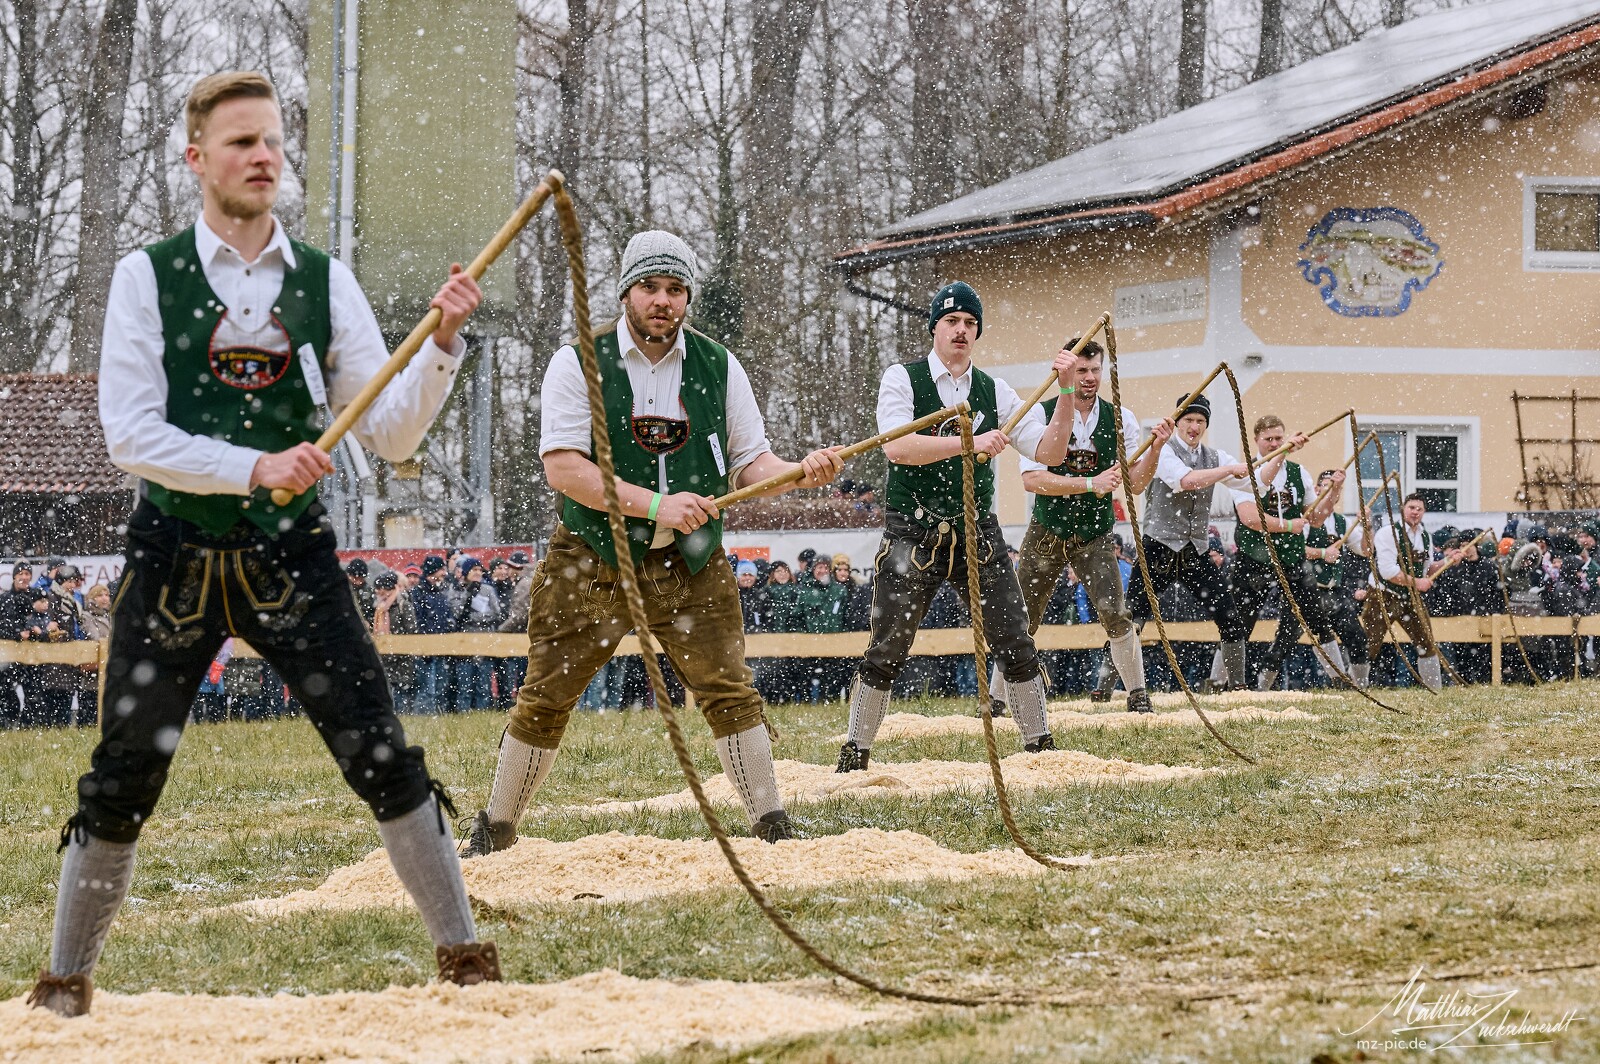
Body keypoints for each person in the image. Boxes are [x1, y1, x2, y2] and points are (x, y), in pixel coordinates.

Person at [24, 72, 500, 1018]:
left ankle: (465, 958)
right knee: (122, 774)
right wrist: (255, 467)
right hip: (174, 559)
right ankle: (64, 986)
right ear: (196, 158)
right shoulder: (145, 275)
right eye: (240, 141)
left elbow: (394, 434)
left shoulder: (323, 280)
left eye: (273, 140)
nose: (263, 156)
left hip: (295, 560)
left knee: (380, 753)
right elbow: (130, 435)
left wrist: (444, 341)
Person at [460, 229, 843, 856]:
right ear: (626, 293)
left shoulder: (720, 365)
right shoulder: (577, 361)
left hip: (689, 561)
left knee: (728, 688)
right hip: (592, 556)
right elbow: (564, 469)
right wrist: (658, 504)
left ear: (687, 297)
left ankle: (772, 826)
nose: (661, 301)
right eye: (649, 288)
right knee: (548, 693)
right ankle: (496, 829)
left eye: (674, 289)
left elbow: (751, 464)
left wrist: (799, 470)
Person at [838, 281, 1077, 771]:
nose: (961, 330)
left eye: (970, 323)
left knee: (1014, 637)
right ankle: (855, 751)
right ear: (934, 329)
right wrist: (969, 443)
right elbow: (897, 447)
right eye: (951, 322)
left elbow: (1051, 454)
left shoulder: (996, 390)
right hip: (912, 529)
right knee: (888, 645)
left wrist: (1067, 391)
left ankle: (1039, 745)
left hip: (977, 531)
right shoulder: (901, 379)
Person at [1004, 337, 1171, 717]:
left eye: (1095, 369)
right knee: (1022, 617)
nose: (1090, 377)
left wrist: (1157, 449)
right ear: (1066, 372)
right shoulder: (1040, 413)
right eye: (1082, 370)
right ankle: (998, 699)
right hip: (1047, 530)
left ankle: (1138, 695)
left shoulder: (1121, 418)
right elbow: (1033, 481)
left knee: (1115, 612)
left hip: (1094, 533)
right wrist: (1089, 484)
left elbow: (1135, 484)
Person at [1122, 393, 1251, 691]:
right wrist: (1229, 471)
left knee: (1229, 616)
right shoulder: (1162, 451)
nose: (1194, 426)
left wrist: (1278, 456)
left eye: (1200, 421)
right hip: (1158, 546)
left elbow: (1253, 481)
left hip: (1196, 549)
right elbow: (1186, 480)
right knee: (1131, 621)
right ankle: (1108, 686)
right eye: (1189, 420)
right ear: (1178, 423)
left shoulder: (1215, 457)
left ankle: (1239, 687)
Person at [1227, 415, 1347, 691]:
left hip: (1292, 557)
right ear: (1256, 440)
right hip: (1254, 555)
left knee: (1315, 617)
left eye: (1278, 438)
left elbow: (1315, 518)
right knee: (1240, 622)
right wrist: (1289, 525)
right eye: (1268, 439)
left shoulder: (1299, 472)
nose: (1274, 443)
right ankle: (1223, 681)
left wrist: (1334, 491)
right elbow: (1251, 519)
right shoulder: (1247, 470)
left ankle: (1339, 677)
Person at [1359, 492, 1445, 691]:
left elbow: (1427, 569)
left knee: (1427, 643)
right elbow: (1388, 572)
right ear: (1402, 510)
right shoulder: (1388, 533)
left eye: (1419, 509)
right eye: (1411, 508)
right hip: (1382, 595)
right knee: (1369, 645)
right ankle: (1356, 688)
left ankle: (1435, 691)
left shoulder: (1425, 536)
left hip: (1410, 596)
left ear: (1424, 512)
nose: (1415, 512)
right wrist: (1417, 583)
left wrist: (1448, 561)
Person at [1304, 469, 1368, 685]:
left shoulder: (1342, 522)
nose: (1330, 492)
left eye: (1334, 488)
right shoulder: (1306, 518)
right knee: (1302, 639)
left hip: (1334, 590)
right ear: (1316, 489)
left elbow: (1365, 551)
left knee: (1357, 636)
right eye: (1326, 486)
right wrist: (1322, 553)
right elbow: (1293, 550)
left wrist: (1367, 527)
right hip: (1307, 588)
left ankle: (1360, 685)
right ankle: (1338, 681)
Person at [452, 558, 501, 712]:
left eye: (480, 570)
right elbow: (457, 613)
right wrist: (468, 594)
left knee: (483, 685)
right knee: (464, 685)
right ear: (466, 573)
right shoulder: (458, 590)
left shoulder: (488, 590)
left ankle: (483, 715)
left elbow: (496, 612)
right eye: (474, 570)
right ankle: (463, 714)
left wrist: (475, 618)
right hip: (464, 642)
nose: (478, 573)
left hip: (484, 640)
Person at [409, 555, 457, 715]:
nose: (444, 573)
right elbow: (418, 621)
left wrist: (450, 625)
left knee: (439, 689)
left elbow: (446, 617)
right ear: (433, 571)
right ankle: (424, 720)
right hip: (426, 651)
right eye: (441, 569)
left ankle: (437, 719)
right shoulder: (418, 593)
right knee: (426, 690)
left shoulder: (439, 591)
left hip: (441, 648)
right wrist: (425, 646)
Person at [372, 569, 420, 714]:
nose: (378, 592)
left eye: (381, 588)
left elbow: (412, 630)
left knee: (402, 692)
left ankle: (403, 717)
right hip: (385, 658)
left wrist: (399, 643)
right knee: (388, 692)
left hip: (402, 658)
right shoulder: (379, 608)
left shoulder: (403, 605)